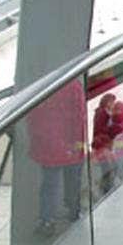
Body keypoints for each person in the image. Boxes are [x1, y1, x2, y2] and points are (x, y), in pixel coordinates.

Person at [27, 79, 86, 236]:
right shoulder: (74, 86)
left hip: (49, 145)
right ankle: (73, 210)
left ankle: (47, 219)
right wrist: (77, 143)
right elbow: (79, 117)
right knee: (73, 180)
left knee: (49, 185)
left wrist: (37, 140)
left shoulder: (43, 85)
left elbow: (33, 116)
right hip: (70, 145)